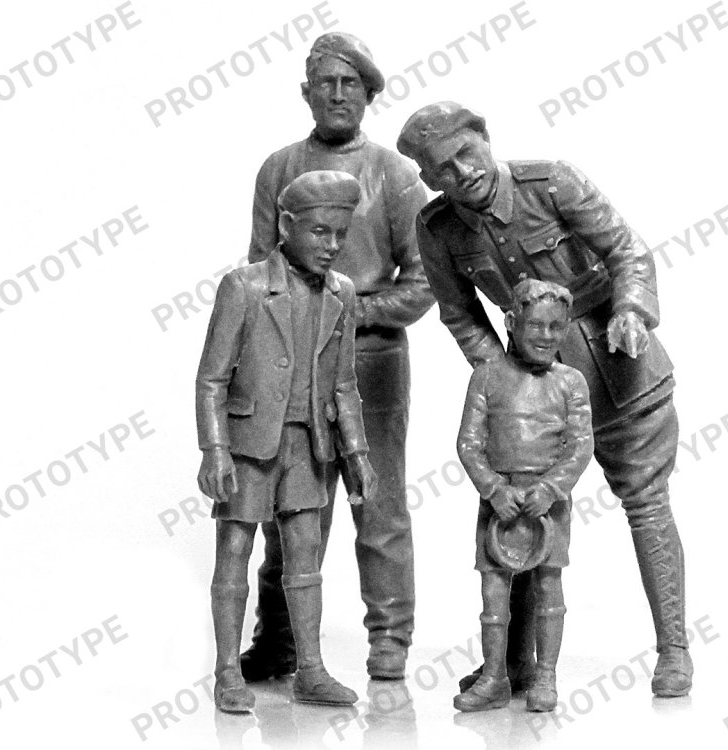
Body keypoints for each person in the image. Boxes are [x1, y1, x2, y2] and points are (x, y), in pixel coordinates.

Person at [397, 102, 693, 697]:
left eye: (466, 154)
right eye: (444, 169)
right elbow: (460, 314)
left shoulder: (553, 182)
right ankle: (514, 666)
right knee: (521, 513)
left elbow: (627, 251)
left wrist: (632, 310)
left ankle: (674, 651)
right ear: (429, 179)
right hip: (529, 404)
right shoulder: (438, 230)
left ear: (486, 139)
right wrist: (504, 380)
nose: (462, 172)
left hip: (620, 372)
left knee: (646, 504)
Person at [243, 32, 433, 681]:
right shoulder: (278, 169)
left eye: (351, 82)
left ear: (369, 93)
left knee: (378, 502)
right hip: (293, 364)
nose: (338, 93)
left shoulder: (394, 174)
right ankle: (280, 638)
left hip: (373, 362)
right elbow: (259, 272)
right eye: (326, 81)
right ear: (306, 92)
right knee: (290, 505)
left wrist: (351, 314)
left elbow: (424, 280)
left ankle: (390, 636)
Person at [196, 170, 377, 711]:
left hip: (308, 445)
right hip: (249, 444)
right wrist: (215, 449)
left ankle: (310, 669)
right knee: (235, 549)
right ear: (286, 225)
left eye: (341, 233)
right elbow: (212, 378)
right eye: (320, 232)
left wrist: (357, 454)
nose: (332, 245)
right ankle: (228, 671)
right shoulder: (244, 287)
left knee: (305, 557)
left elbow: (344, 384)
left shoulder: (342, 293)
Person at [456, 279, 593, 713]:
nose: (546, 336)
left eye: (556, 327)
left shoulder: (571, 382)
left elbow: (580, 446)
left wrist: (550, 488)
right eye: (536, 325)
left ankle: (544, 675)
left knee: (549, 587)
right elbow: (468, 444)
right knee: (493, 594)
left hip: (548, 507)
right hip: (498, 505)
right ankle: (494, 676)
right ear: (512, 323)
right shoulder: (486, 376)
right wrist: (494, 489)